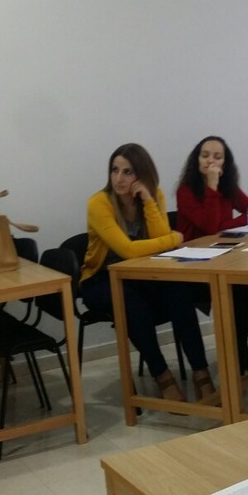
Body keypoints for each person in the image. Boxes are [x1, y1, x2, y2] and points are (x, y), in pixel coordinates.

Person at [80, 143, 215, 402]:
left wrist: (149, 202)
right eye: (114, 170)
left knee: (179, 290)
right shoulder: (99, 203)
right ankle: (162, 375)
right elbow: (129, 250)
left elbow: (159, 240)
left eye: (128, 172)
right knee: (131, 302)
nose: (119, 178)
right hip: (100, 278)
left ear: (142, 175)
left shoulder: (154, 196)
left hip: (141, 274)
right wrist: (174, 238)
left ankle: (201, 372)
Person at [175, 135, 248, 372]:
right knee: (235, 286)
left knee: (245, 285)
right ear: (196, 160)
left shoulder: (228, 188)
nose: (210, 161)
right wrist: (212, 187)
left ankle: (239, 350)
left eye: (217, 157)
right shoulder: (185, 191)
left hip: (223, 258)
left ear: (226, 162)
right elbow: (210, 226)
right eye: (205, 156)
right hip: (193, 266)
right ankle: (233, 354)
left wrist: (226, 224)